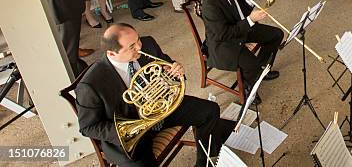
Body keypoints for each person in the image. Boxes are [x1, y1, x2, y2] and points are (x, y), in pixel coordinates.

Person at [75, 23, 234, 166]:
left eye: (138, 40)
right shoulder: (90, 85)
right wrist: (131, 130)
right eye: (132, 46)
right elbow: (88, 127)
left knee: (210, 110)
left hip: (162, 110)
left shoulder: (148, 44)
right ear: (111, 54)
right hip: (132, 129)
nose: (139, 47)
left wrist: (175, 73)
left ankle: (205, 162)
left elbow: (169, 69)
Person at [199, 0, 283, 101]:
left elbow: (242, 11)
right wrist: (251, 20)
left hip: (239, 28)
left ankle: (261, 70)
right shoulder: (210, 3)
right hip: (223, 43)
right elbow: (223, 33)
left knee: (276, 35)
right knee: (252, 64)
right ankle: (247, 88)